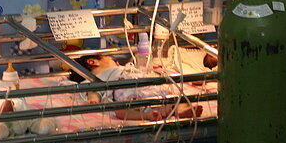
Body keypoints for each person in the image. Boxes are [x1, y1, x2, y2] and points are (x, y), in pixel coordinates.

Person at [68, 54, 203, 121]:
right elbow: (93, 90)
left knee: (171, 93)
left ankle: (177, 109)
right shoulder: (98, 78)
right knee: (120, 110)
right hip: (126, 95)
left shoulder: (126, 69)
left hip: (146, 87)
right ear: (93, 61)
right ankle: (146, 116)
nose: (117, 62)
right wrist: (94, 100)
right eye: (111, 59)